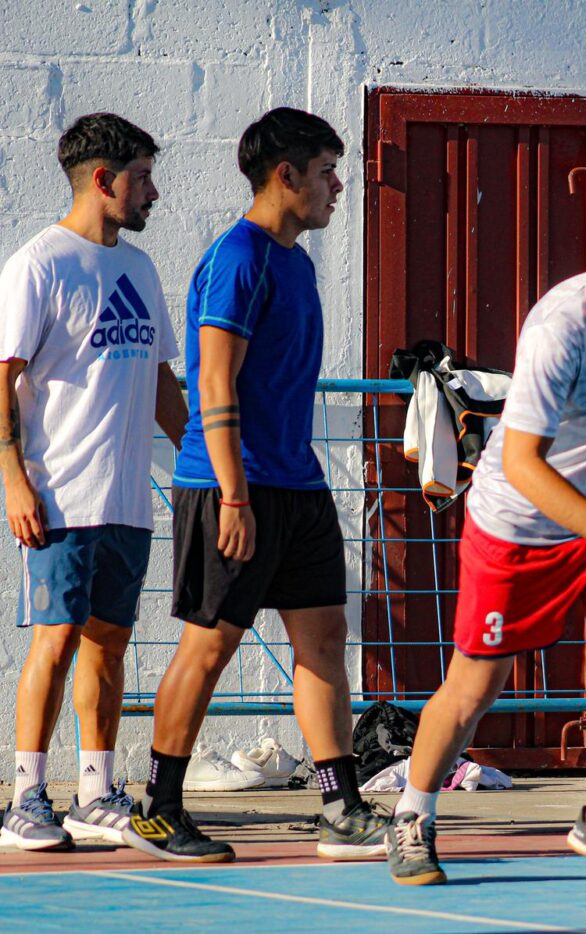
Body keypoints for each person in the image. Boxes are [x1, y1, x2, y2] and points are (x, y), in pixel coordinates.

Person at [386, 192, 586, 886]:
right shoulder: (560, 329)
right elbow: (522, 464)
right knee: (474, 688)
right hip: (521, 524)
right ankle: (412, 815)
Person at [122, 108, 387, 863]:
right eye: (328, 172)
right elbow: (213, 381)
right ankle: (158, 809)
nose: (338, 187)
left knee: (325, 638)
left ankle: (340, 806)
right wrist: (234, 495)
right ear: (286, 175)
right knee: (210, 645)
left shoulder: (295, 262)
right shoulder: (238, 258)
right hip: (231, 487)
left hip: (297, 484)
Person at [0, 113, 187, 851]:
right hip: (58, 496)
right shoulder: (39, 264)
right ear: (104, 180)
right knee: (55, 640)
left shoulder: (139, 269)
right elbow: (3, 377)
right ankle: (26, 797)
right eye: (142, 178)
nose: (155, 193)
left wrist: (204, 464)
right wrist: (14, 479)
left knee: (109, 644)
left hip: (127, 500)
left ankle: (94, 792)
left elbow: (163, 382)